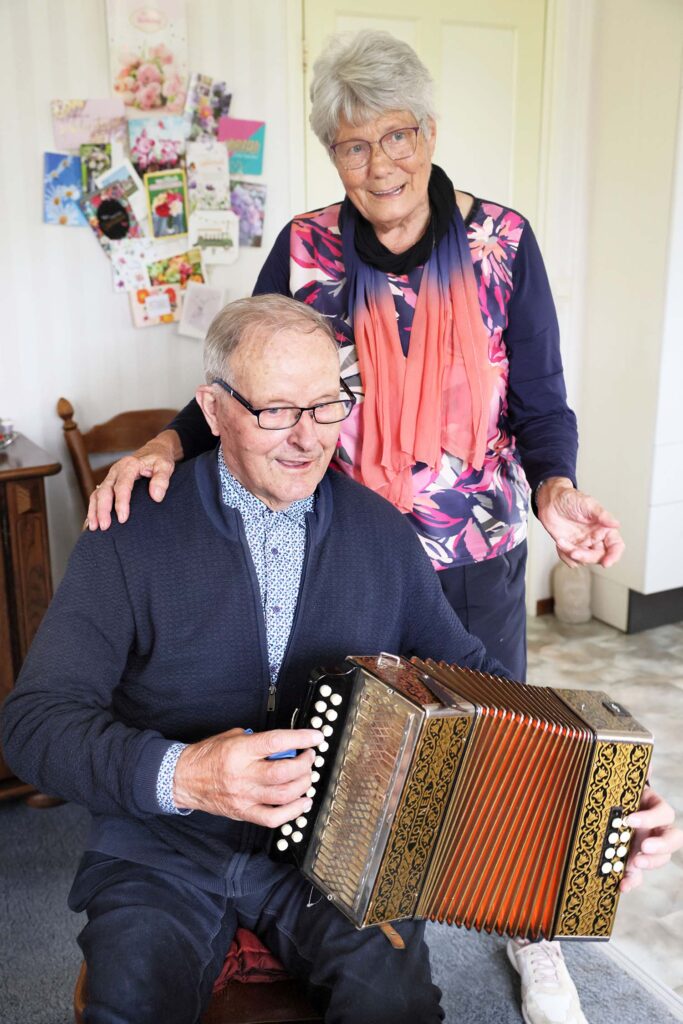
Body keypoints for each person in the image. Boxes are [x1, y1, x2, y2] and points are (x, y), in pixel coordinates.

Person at [84, 30, 634, 1023]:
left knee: (498, 742)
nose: (378, 162)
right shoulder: (303, 247)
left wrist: (555, 489)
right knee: (350, 751)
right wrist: (169, 444)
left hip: (471, 556)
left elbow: (540, 401)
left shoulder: (501, 243)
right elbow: (242, 377)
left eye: (396, 134)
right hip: (345, 552)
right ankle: (351, 907)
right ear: (329, 153)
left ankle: (530, 933)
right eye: (350, 144)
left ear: (427, 130)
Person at [3, 296, 680, 1024]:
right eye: (276, 411)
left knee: (397, 1008)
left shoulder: (382, 535)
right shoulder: (129, 528)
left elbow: (482, 686)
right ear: (214, 407)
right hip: (160, 846)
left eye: (328, 406)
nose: (307, 439)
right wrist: (185, 775)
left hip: (341, 849)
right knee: (129, 1007)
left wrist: (599, 803)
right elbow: (34, 726)